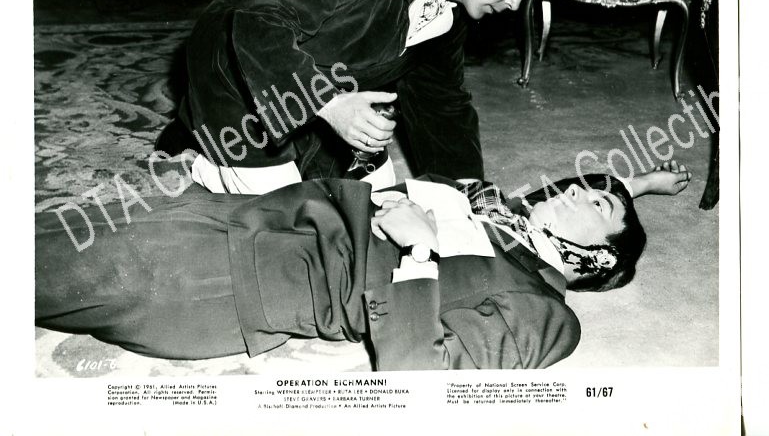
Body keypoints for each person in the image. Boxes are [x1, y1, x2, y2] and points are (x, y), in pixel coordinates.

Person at [35, 162, 690, 370]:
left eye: (600, 203)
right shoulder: (495, 217)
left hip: (226, 279)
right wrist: (639, 183)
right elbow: (560, 207)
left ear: (599, 258)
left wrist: (419, 250)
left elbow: (417, 378)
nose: (581, 190)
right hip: (247, 215)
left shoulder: (545, 314)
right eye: (586, 185)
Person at [156, 0, 558, 194]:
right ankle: (205, 154)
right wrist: (330, 105)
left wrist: (467, 192)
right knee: (292, 221)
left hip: (326, 83)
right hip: (239, 65)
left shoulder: (451, 14)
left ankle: (300, 146)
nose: (516, 3)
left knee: (373, 203)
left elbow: (442, 104)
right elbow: (260, 23)